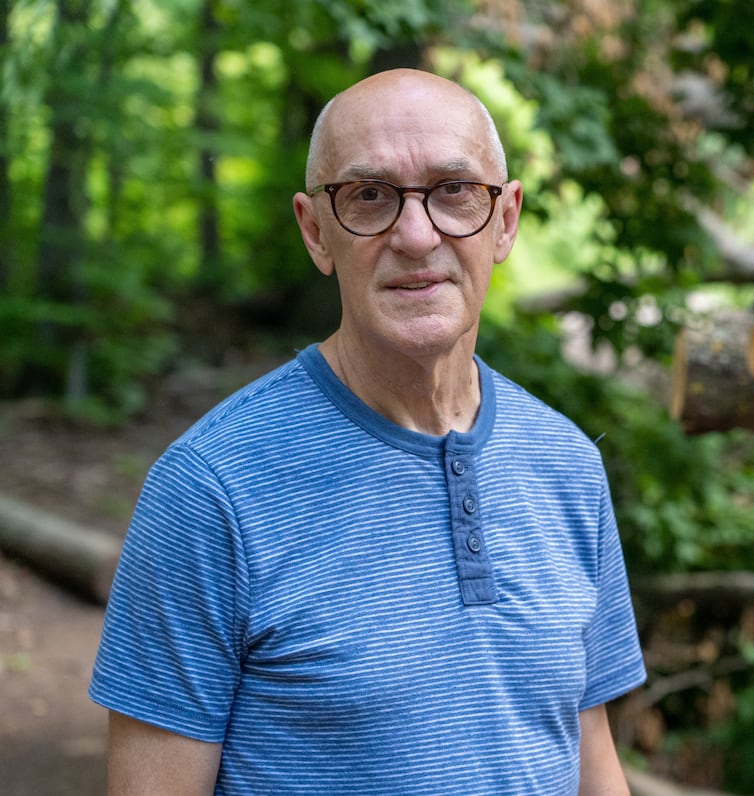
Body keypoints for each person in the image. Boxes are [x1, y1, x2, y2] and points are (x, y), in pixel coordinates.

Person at [89, 68, 647, 795]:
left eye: (454, 191)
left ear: (505, 219)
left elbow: (589, 756)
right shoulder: (209, 489)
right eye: (370, 196)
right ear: (316, 231)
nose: (416, 236)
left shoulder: (568, 464)